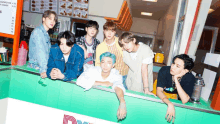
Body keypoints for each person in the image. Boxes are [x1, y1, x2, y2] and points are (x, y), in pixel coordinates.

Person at [77, 52, 127, 120]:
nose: (105, 65)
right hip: (88, 103)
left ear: (113, 65)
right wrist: (101, 83)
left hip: (104, 107)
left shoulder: (116, 75)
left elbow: (118, 86)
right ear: (100, 63)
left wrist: (122, 102)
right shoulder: (93, 69)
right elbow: (79, 80)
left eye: (109, 63)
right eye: (103, 62)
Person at [156, 54, 195, 123]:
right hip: (162, 97)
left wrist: (176, 79)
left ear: (185, 70)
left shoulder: (190, 78)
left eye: (177, 66)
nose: (173, 67)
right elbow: (159, 91)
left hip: (175, 99)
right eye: (173, 63)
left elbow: (185, 100)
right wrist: (169, 104)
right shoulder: (164, 70)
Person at [95, 21, 129, 89]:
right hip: (109, 77)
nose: (109, 33)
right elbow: (98, 64)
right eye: (107, 30)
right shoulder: (100, 47)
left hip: (124, 75)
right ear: (104, 31)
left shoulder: (121, 42)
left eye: (112, 31)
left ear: (115, 32)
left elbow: (128, 57)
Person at [28, 10, 57, 78]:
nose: (52, 21)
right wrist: (43, 70)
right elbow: (40, 51)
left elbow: (47, 52)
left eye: (54, 20)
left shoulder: (45, 33)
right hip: (36, 67)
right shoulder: (38, 32)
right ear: (43, 19)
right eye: (50, 18)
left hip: (40, 66)